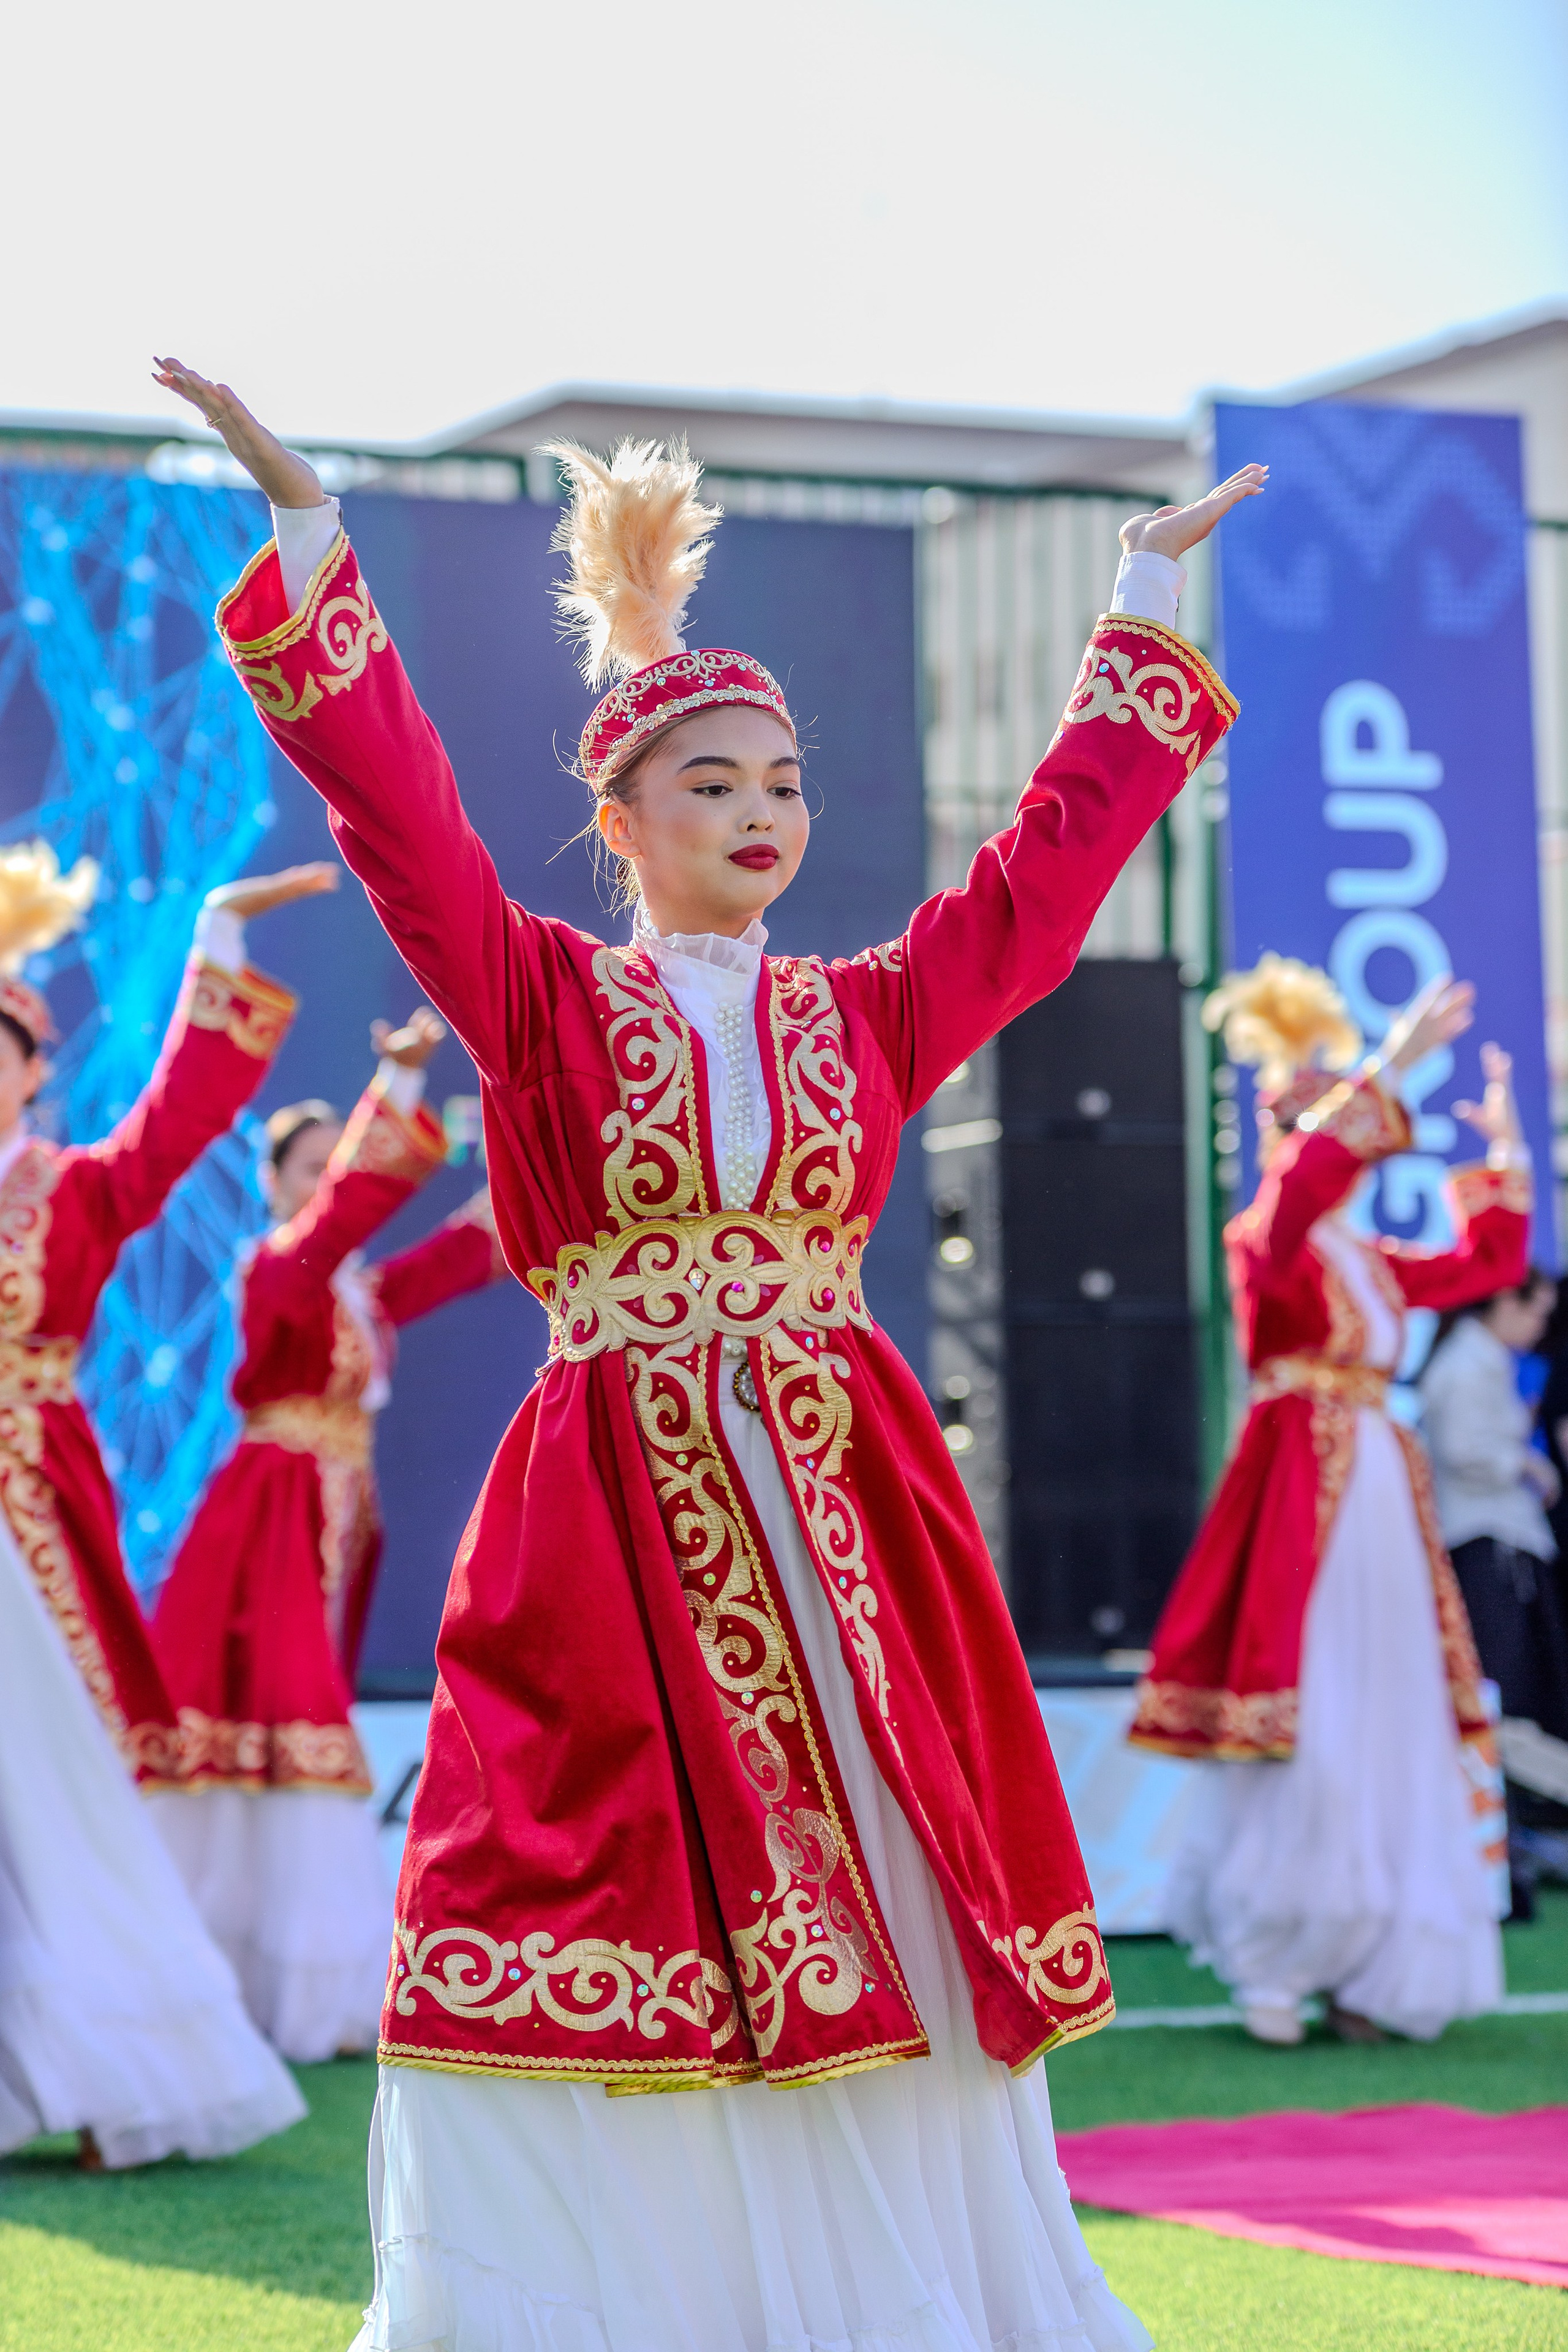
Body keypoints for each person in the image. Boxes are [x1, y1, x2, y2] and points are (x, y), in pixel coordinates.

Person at [158, 352, 1261, 2352]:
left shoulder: (865, 1010)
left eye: (782, 781)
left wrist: (1140, 610)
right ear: (619, 815)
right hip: (617, 1503)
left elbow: (1042, 883)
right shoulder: (537, 997)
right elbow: (401, 820)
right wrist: (309, 530)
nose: (761, 812)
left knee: (898, 1875)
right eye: (711, 783)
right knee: (590, 1873)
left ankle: (888, 2284)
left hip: (844, 1498)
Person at [0, 843, 334, 2167]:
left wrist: (218, 946)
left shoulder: (74, 1192)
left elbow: (178, 1121)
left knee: (62, 1792)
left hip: (30, 1527)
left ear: (34, 1071)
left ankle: (125, 2070)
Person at [1129, 954, 1530, 2045]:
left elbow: (1490, 1261)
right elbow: (1299, 1190)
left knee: (1390, 1703)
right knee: (1318, 1705)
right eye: (1311, 1124)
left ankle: (1374, 1966)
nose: (1333, 1145)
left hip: (1377, 1496)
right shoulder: (1269, 1242)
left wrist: (1504, 1147)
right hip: (1307, 1492)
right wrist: (1388, 1063)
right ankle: (1277, 1956)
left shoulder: (1373, 1262)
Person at [151, 1009, 506, 2061]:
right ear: (273, 1181)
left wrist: (539, 1168)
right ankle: (269, 1996)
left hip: (328, 1515)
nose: (321, 1181)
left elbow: (457, 1256)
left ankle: (284, 1990)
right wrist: (393, 1090)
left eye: (330, 1165)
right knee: (286, 1731)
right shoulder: (277, 1266)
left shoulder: (355, 1291)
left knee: (291, 1734)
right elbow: (344, 1222)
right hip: (265, 1524)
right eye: (308, 1166)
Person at [1421, 1265, 1568, 1918]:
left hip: (1504, 1550)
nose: (1538, 1327)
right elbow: (1461, 1447)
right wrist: (1526, 1462)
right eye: (1533, 1311)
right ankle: (1498, 1864)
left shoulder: (1483, 1362)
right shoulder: (1466, 1362)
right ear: (1502, 1302)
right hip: (1486, 1553)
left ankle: (1506, 1858)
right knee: (1499, 1708)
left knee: (1514, 1708)